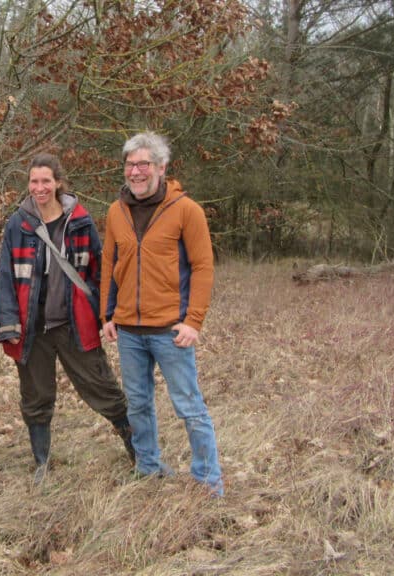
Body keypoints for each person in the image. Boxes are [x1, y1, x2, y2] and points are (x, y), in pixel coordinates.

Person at [0, 153, 135, 486]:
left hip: (74, 324)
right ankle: (41, 463)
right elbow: (5, 277)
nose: (39, 188)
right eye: (34, 181)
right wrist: (8, 322)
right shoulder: (18, 223)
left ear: (58, 182)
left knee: (103, 388)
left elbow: (99, 272)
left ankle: (138, 450)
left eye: (46, 181)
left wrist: (105, 314)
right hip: (32, 328)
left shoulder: (80, 221)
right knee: (36, 396)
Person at [100, 131, 224, 496]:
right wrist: (108, 314)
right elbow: (110, 263)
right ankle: (148, 467)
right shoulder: (116, 211)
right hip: (129, 330)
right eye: (130, 164)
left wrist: (193, 321)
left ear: (161, 167)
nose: (136, 172)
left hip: (171, 330)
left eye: (144, 164)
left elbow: (202, 267)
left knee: (189, 406)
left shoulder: (186, 210)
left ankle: (208, 480)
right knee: (138, 405)